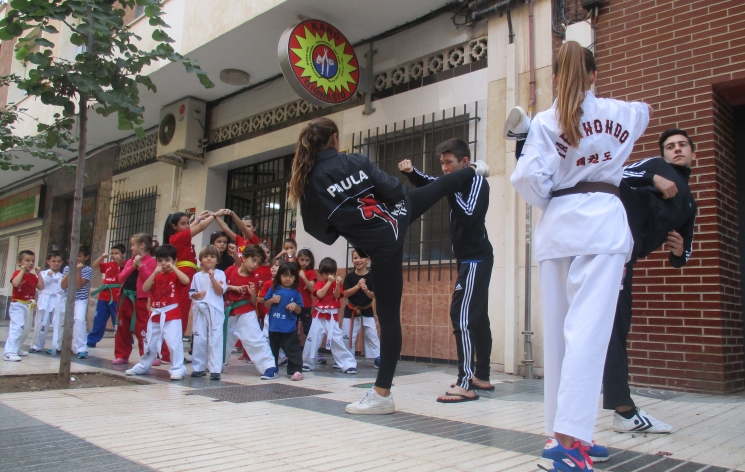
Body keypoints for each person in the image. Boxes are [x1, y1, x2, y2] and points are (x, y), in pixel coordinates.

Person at [510, 41, 651, 469]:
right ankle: (568, 443)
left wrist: (555, 193)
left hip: (559, 225)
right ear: (593, 75)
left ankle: (562, 433)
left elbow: (526, 179)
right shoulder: (621, 112)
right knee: (589, 335)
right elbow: (643, 113)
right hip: (601, 225)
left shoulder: (547, 121)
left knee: (559, 335)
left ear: (554, 77)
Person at [290, 117, 488, 414]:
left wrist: (354, 221)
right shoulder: (354, 160)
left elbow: (325, 234)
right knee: (443, 185)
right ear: (333, 138)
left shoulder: (308, 185)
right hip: (399, 215)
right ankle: (474, 172)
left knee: (389, 317)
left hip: (382, 247)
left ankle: (383, 395)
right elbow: (395, 188)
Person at [602, 129, 697, 433]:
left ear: (693, 154)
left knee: (616, 326)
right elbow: (616, 173)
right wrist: (652, 179)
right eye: (671, 146)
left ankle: (620, 407)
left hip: (625, 257)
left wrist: (681, 252)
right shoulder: (656, 166)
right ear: (664, 153)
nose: (677, 149)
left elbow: (687, 245)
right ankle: (624, 410)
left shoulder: (690, 204)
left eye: (683, 145)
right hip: (611, 242)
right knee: (613, 328)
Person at [399, 137, 495, 403]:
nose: (444, 169)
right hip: (467, 259)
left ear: (465, 163)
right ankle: (481, 376)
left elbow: (468, 214)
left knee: (461, 316)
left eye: (449, 164)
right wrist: (412, 173)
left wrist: (450, 187)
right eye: (442, 164)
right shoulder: (456, 180)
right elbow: (433, 185)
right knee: (478, 318)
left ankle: (465, 383)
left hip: (476, 259)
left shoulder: (476, 182)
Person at [126, 244, 189, 380]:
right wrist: (154, 273)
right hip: (155, 314)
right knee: (150, 342)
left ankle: (178, 368)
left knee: (174, 342)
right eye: (160, 260)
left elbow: (186, 280)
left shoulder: (175, 275)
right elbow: (145, 287)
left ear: (174, 261)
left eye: (167, 260)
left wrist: (174, 268)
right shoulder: (156, 275)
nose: (163, 263)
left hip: (172, 314)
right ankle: (144, 365)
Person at [161, 210, 218, 362]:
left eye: (188, 222)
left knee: (182, 313)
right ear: (174, 226)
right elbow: (199, 228)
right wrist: (214, 216)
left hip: (187, 275)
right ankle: (169, 353)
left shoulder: (178, 236)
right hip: (183, 276)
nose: (187, 226)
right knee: (180, 313)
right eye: (183, 223)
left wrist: (198, 218)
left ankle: (172, 352)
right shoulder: (178, 237)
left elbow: (192, 227)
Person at [223, 244, 278, 379]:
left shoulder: (253, 278)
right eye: (253, 260)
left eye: (258, 262)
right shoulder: (229, 271)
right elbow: (220, 288)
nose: (255, 265)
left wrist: (253, 293)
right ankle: (216, 364)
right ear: (244, 257)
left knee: (254, 338)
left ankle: (269, 366)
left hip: (246, 311)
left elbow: (254, 302)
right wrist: (231, 287)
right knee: (224, 339)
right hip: (229, 312)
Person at [301, 257, 357, 374]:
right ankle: (308, 363)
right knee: (313, 339)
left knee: (337, 340)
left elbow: (337, 296)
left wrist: (336, 284)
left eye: (332, 273)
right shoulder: (319, 284)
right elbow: (320, 295)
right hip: (318, 317)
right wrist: (329, 282)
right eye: (326, 273)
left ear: (335, 273)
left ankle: (348, 364)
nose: (329, 276)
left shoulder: (338, 284)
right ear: (321, 274)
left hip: (332, 318)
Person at [113, 234, 157, 365]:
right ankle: (122, 355)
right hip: (125, 297)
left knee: (142, 328)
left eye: (133, 245)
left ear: (142, 245)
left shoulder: (151, 261)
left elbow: (149, 279)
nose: (131, 248)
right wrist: (132, 265)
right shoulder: (129, 261)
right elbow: (120, 278)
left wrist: (140, 265)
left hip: (140, 299)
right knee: (122, 326)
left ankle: (147, 355)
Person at [190, 245, 227, 380]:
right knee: (200, 338)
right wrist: (196, 295)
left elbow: (220, 291)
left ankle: (215, 369)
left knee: (215, 339)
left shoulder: (220, 274)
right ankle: (198, 367)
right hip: (200, 309)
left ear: (217, 260)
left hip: (215, 310)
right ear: (201, 260)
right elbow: (192, 293)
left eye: (212, 256)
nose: (209, 259)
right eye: (206, 256)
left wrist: (212, 279)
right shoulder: (196, 276)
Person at [264, 261, 305, 380]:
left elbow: (299, 310)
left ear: (295, 278)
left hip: (289, 327)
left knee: (293, 350)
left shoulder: (296, 293)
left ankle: (296, 370)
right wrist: (272, 300)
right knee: (272, 350)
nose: (288, 279)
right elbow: (266, 303)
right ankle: (272, 368)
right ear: (279, 276)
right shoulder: (273, 289)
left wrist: (294, 306)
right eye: (285, 275)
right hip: (274, 327)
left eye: (291, 276)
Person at [341, 250, 380, 366]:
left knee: (372, 334)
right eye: (355, 258)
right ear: (352, 260)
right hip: (351, 310)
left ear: (368, 260)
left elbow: (373, 295)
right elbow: (345, 293)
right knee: (347, 336)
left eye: (361, 257)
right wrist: (357, 286)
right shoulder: (350, 277)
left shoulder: (372, 276)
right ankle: (347, 359)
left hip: (366, 309)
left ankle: (378, 358)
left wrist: (366, 290)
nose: (358, 260)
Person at [4, 250, 43, 361]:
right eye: (27, 260)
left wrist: (38, 274)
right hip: (18, 304)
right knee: (18, 326)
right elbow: (15, 283)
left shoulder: (33, 277)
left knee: (26, 329)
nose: (30, 263)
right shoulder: (17, 273)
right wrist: (22, 270)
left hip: (29, 305)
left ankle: (16, 348)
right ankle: (9, 352)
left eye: (32, 261)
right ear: (19, 262)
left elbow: (41, 287)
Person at [87, 244, 126, 348]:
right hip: (104, 295)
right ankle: (92, 340)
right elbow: (95, 266)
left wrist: (120, 261)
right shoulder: (108, 264)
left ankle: (125, 339)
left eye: (117, 253)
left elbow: (123, 265)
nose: (114, 256)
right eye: (112, 253)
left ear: (123, 254)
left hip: (116, 296)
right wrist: (102, 257)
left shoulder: (125, 264)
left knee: (117, 320)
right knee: (99, 318)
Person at [61, 245, 93, 360]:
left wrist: (78, 271)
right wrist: (71, 271)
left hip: (80, 300)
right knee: (62, 322)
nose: (76, 258)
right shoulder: (66, 268)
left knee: (79, 320)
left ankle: (81, 348)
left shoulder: (88, 270)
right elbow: (63, 285)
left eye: (79, 256)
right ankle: (60, 345)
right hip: (67, 299)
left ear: (86, 257)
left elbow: (78, 286)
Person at [31, 251, 64, 353]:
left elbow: (63, 289)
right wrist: (48, 276)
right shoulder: (42, 274)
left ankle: (57, 346)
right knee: (41, 323)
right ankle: (37, 346)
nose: (56, 263)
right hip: (45, 300)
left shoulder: (62, 276)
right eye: (53, 261)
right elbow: (41, 286)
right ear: (48, 262)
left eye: (58, 261)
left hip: (58, 300)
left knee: (58, 323)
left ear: (62, 263)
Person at [296, 248, 317, 337]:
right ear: (298, 260)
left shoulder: (310, 272)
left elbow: (312, 288)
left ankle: (311, 348)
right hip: (294, 303)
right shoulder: (294, 271)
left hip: (305, 305)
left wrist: (304, 277)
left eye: (307, 260)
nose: (304, 263)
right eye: (302, 260)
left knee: (308, 328)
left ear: (310, 261)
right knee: (292, 326)